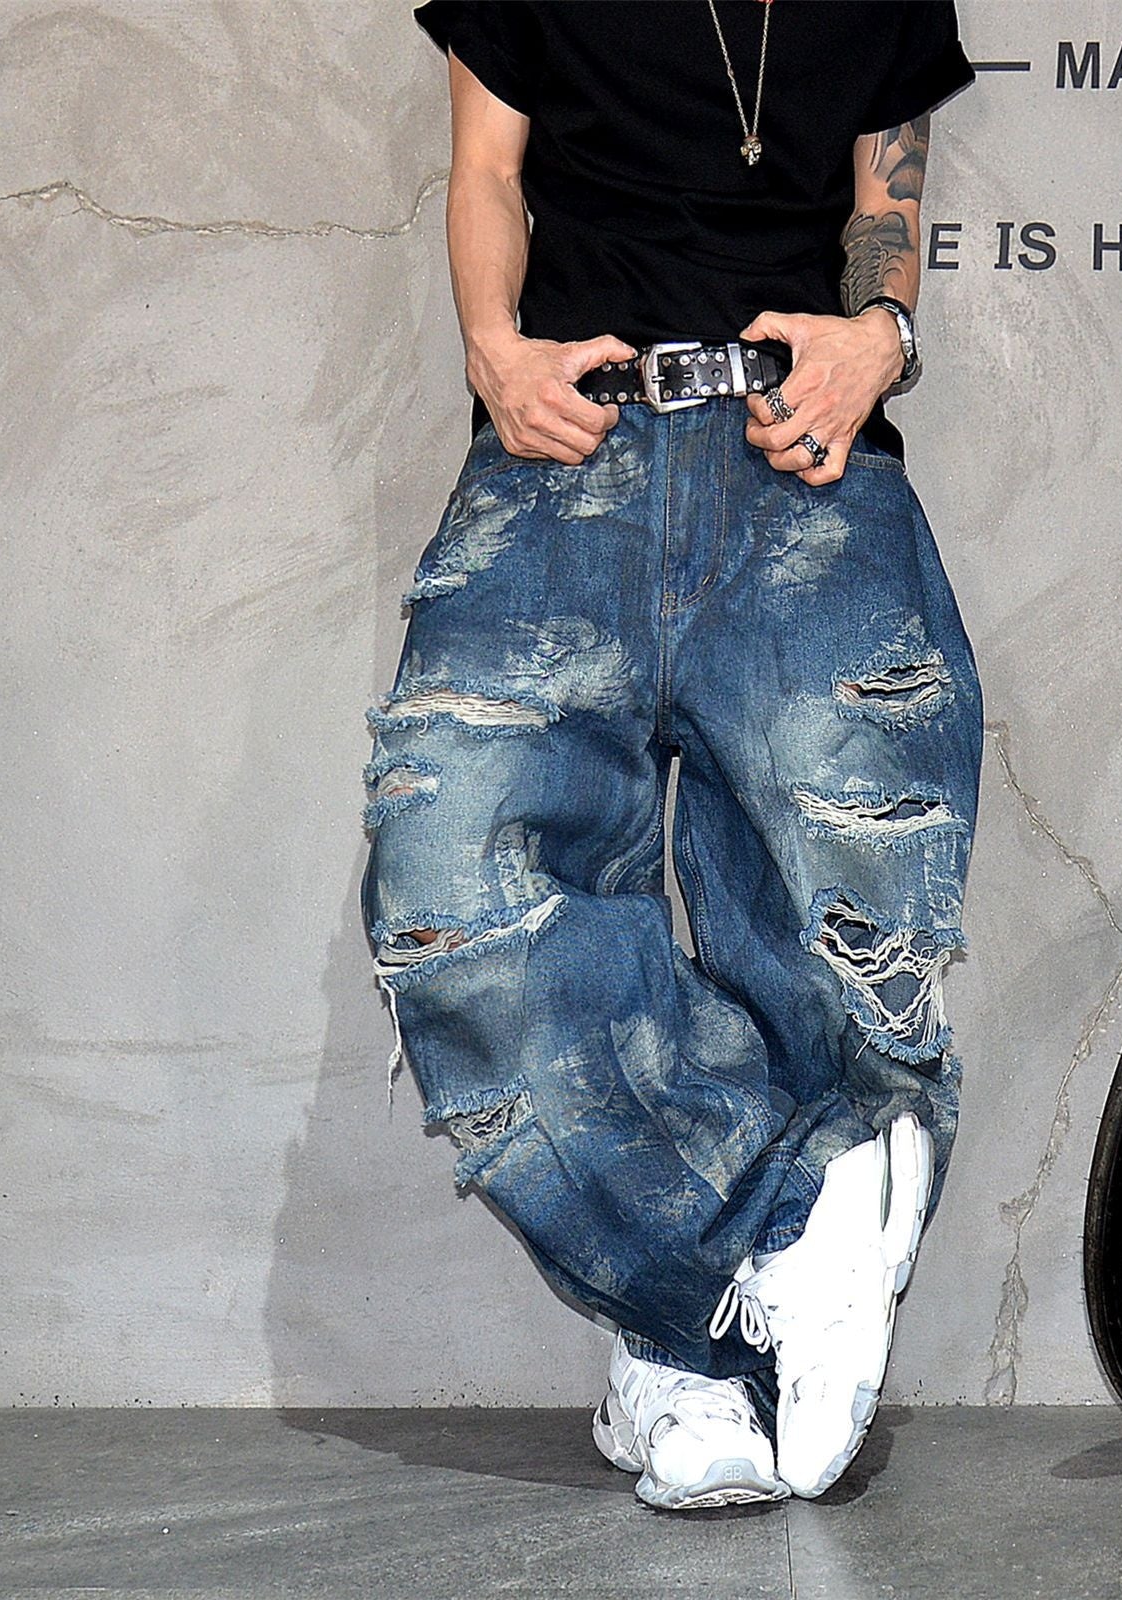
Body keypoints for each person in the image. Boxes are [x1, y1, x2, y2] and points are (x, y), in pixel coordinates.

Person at [362, 0, 982, 1510]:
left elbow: (886, 192)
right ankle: (765, 1261)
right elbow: (485, 169)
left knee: (842, 933)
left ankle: (687, 1366)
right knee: (454, 902)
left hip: (803, 459)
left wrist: (882, 340)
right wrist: (492, 351)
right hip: (566, 458)